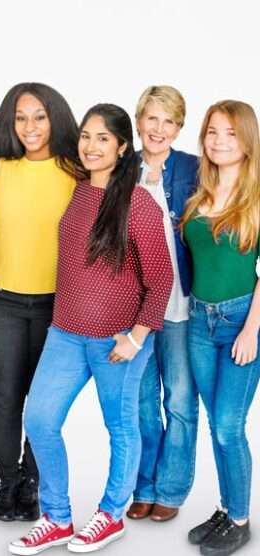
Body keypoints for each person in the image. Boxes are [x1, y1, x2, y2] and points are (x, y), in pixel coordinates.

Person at [11, 104, 173, 555]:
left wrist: (137, 336)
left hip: (118, 339)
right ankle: (57, 518)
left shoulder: (138, 202)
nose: (91, 145)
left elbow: (161, 278)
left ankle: (111, 514)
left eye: (103, 138)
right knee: (39, 420)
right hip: (65, 332)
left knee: (120, 428)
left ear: (122, 148)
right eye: (86, 136)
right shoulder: (79, 192)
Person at [0, 82, 81, 522]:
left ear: (55, 117)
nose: (30, 126)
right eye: (21, 117)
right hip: (3, 299)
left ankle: (32, 481)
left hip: (56, 305)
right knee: (7, 397)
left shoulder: (74, 170)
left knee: (43, 401)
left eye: (39, 116)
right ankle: (8, 484)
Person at [181, 99, 260, 556]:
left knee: (230, 425)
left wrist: (251, 331)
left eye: (230, 133)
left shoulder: (255, 198)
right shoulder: (199, 196)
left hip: (240, 322)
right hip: (197, 322)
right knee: (216, 424)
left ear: (247, 140)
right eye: (212, 131)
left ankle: (241, 519)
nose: (219, 141)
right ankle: (229, 507)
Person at [126, 85, 201, 523]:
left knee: (177, 400)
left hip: (181, 307)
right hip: (135, 309)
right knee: (139, 404)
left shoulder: (193, 168)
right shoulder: (121, 168)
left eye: (168, 121)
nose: (159, 129)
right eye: (151, 119)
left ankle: (171, 490)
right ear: (139, 121)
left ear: (178, 127)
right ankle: (144, 486)